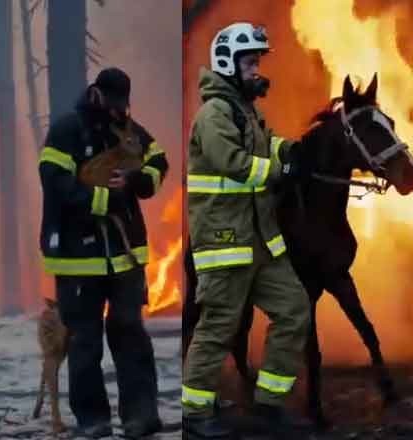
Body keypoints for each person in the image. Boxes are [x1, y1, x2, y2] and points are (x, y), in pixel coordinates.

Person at [182, 22, 311, 438]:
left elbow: (263, 143)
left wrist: (289, 149)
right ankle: (195, 415)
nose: (257, 69)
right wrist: (280, 170)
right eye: (250, 62)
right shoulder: (214, 114)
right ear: (228, 63)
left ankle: (268, 407)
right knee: (219, 327)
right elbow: (235, 163)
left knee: (294, 310)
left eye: (257, 61)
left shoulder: (244, 108)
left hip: (259, 240)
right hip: (225, 242)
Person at [38, 67, 168, 438]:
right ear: (97, 95)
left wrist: (136, 181)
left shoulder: (127, 130)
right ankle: (93, 420)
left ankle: (140, 415)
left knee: (130, 332)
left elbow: (159, 160)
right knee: (84, 338)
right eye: (113, 105)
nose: (119, 112)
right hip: (78, 257)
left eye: (123, 105)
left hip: (125, 256)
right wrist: (101, 198)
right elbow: (54, 182)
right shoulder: (66, 131)